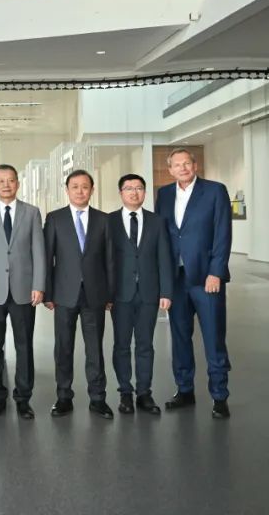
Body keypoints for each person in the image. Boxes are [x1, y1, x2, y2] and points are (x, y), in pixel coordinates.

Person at [155, 148, 233, 419]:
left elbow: (223, 233)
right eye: (177, 165)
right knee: (179, 337)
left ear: (195, 165)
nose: (183, 168)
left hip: (205, 278)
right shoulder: (164, 194)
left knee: (213, 337)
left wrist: (216, 272)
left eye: (187, 163)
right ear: (170, 170)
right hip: (176, 280)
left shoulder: (215, 191)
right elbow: (163, 236)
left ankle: (220, 396)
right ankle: (185, 390)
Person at [44, 169, 115, 419]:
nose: (80, 191)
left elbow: (110, 260)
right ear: (67, 190)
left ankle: (98, 398)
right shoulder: (55, 218)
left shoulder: (104, 220)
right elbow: (47, 257)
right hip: (64, 294)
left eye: (85, 186)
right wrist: (48, 293)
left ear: (92, 190)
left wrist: (110, 294)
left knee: (95, 348)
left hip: (95, 294)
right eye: (75, 186)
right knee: (63, 347)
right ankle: (64, 397)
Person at [0, 164, 45, 420]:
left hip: (24, 289)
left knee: (24, 345)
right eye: (1, 181)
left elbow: (39, 252)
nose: (6, 185)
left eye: (11, 180)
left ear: (18, 183)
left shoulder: (32, 212)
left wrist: (38, 285)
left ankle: (23, 398)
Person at [109, 174, 173, 416]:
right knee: (121, 345)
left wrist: (166, 291)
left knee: (145, 345)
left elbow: (164, 257)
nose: (134, 192)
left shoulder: (157, 222)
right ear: (121, 193)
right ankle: (125, 393)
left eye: (139, 188)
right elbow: (105, 260)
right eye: (129, 188)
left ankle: (144, 393)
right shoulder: (109, 221)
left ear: (145, 192)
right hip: (119, 294)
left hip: (149, 293)